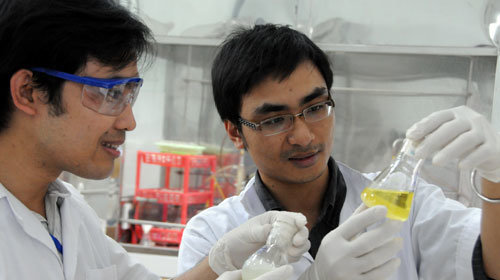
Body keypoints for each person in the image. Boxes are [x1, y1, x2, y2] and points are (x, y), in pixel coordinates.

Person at [0, 1, 309, 279]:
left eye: (129, 94)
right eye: (110, 94)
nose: (128, 121)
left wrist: (221, 261)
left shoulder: (68, 210)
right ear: (28, 91)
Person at [177, 24, 500, 279]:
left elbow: (492, 267)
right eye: (275, 119)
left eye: (316, 107)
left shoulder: (409, 207)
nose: (303, 137)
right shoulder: (215, 235)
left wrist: (495, 178)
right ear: (236, 131)